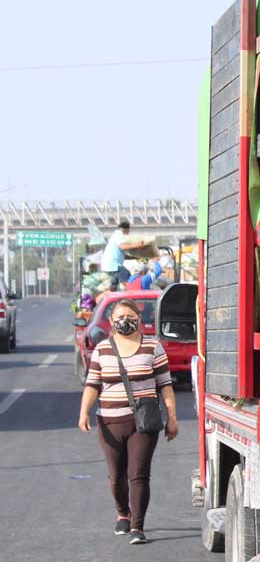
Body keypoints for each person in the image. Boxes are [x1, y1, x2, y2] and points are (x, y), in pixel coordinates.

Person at [77, 298, 179, 544]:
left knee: (139, 474)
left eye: (130, 316)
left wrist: (172, 418)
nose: (125, 320)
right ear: (111, 322)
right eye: (120, 317)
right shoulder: (102, 349)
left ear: (138, 318)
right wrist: (84, 413)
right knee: (116, 476)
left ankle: (137, 526)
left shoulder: (153, 347)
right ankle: (123, 512)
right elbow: (93, 384)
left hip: (144, 422)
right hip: (110, 422)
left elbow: (165, 385)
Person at [101, 220, 132, 290]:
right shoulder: (119, 234)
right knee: (128, 279)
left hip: (109, 266)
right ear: (125, 230)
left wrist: (138, 256)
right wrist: (139, 245)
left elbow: (123, 255)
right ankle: (133, 294)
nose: (128, 234)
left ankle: (111, 297)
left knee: (113, 287)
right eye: (128, 232)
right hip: (113, 266)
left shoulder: (116, 235)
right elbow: (122, 246)